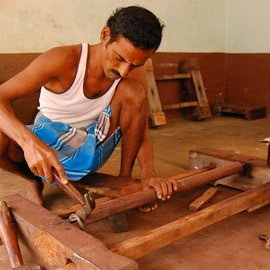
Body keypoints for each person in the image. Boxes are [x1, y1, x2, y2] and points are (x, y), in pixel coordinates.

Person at [0, 6, 177, 206]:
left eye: (135, 64)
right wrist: (29, 144)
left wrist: (148, 174)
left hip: (94, 142)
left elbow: (139, 125)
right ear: (105, 34)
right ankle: (32, 180)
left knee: (133, 91)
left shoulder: (133, 71)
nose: (125, 71)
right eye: (120, 58)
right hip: (48, 136)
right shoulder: (62, 59)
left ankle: (123, 179)